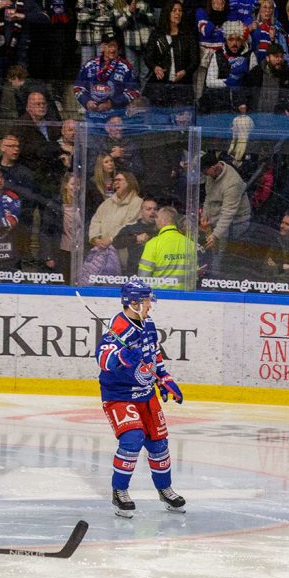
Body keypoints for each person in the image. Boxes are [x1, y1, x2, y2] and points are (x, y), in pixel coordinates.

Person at [95, 279, 186, 518]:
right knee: (132, 439)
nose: (150, 306)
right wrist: (122, 355)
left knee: (159, 444)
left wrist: (164, 378)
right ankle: (120, 491)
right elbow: (103, 360)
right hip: (120, 395)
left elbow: (153, 354)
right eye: (146, 301)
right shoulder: (119, 327)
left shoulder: (148, 323)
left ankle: (165, 489)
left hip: (146, 394)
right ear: (133, 303)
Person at [144, 0, 200, 109]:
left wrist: (185, 72)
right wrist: (155, 68)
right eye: (174, 10)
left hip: (182, 85)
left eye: (180, 11)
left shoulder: (189, 34)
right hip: (160, 84)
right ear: (167, 13)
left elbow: (195, 60)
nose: (178, 13)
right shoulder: (157, 34)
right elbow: (148, 57)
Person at [201, 151, 251, 271]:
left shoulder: (232, 183)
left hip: (236, 221)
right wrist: (205, 215)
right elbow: (209, 197)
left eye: (206, 172)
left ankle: (217, 276)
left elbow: (228, 213)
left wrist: (215, 235)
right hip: (218, 217)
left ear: (214, 167)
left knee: (221, 255)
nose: (206, 176)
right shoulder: (211, 175)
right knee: (212, 250)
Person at [74, 33, 141, 122]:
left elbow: (133, 92)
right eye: (109, 46)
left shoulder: (126, 68)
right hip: (92, 117)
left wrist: (112, 103)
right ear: (102, 47)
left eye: (115, 46)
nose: (112, 50)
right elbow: (78, 88)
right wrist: (86, 101)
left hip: (116, 119)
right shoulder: (89, 65)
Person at [138, 205, 195, 289]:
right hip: (185, 296)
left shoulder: (153, 244)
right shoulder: (190, 244)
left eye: (157, 218)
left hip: (160, 295)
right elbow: (194, 274)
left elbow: (143, 276)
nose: (156, 220)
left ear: (163, 220)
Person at [114, 196, 158, 275]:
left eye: (155, 209)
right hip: (134, 273)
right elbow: (116, 242)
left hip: (156, 274)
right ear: (141, 211)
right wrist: (135, 238)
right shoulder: (131, 228)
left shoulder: (160, 229)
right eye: (148, 209)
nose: (152, 212)